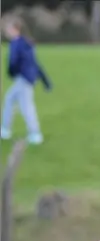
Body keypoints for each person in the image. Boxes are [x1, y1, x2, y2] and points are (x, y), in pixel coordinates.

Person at [1, 16, 52, 145]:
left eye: (7, 29)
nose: (6, 32)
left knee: (26, 106)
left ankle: (35, 134)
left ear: (14, 29)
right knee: (10, 99)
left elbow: (13, 61)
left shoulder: (16, 43)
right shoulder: (27, 43)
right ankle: (5, 130)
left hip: (23, 79)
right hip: (28, 78)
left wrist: (11, 73)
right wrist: (46, 81)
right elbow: (35, 63)